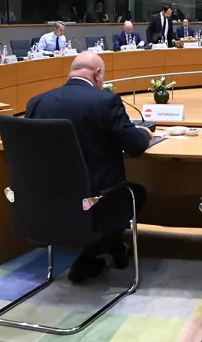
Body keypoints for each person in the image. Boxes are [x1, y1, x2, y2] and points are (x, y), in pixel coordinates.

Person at [25, 52, 153, 282]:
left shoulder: (37, 102)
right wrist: (144, 132)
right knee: (136, 193)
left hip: (44, 201)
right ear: (97, 74)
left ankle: (114, 245)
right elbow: (134, 146)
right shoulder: (105, 101)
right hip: (93, 202)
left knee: (107, 197)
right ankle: (88, 256)